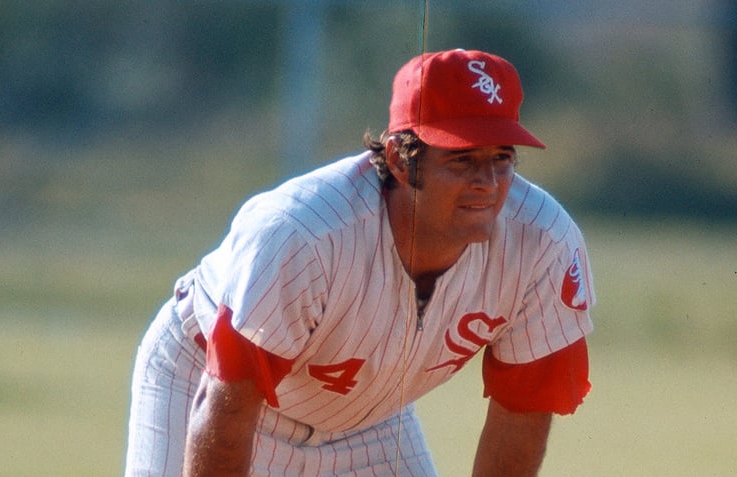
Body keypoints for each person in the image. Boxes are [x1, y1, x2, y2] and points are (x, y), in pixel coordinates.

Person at [124, 48, 595, 477]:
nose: (488, 182)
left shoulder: (543, 244)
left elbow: (521, 418)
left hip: (366, 423)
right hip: (207, 382)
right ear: (399, 160)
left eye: (502, 158)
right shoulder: (305, 235)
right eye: (462, 159)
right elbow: (226, 406)